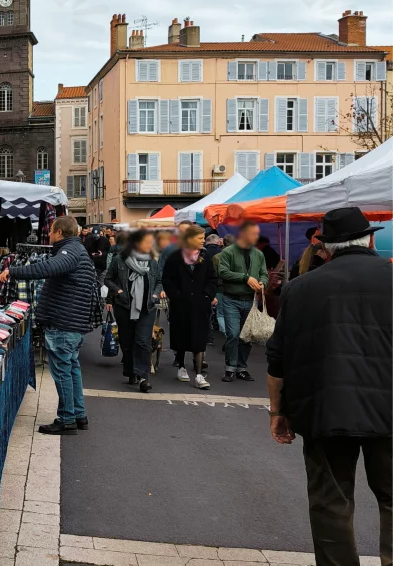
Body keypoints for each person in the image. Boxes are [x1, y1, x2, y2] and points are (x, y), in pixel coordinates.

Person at [266, 207, 391, 566]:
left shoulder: (300, 289)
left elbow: (278, 360)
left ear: (327, 248)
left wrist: (278, 412)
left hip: (325, 408)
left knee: (330, 501)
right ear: (369, 239)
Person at [0, 216, 97, 435]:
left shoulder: (69, 252)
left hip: (64, 324)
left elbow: (46, 268)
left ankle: (67, 419)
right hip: (72, 323)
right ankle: (79, 414)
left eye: (51, 231)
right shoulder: (77, 251)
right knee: (71, 369)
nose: (49, 235)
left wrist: (13, 271)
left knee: (63, 371)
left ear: (60, 233)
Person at [161, 224, 217, 389]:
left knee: (199, 339)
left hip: (200, 305)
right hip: (181, 305)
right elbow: (167, 279)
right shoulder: (175, 257)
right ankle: (182, 367)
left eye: (203, 238)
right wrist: (176, 296)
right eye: (200, 238)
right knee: (181, 336)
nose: (203, 241)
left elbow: (213, 279)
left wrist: (207, 296)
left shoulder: (205, 257)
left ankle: (199, 374)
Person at [105, 229, 161, 392]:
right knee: (127, 342)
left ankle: (144, 377)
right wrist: (118, 291)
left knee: (143, 341)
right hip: (124, 307)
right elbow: (108, 279)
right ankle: (131, 372)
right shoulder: (119, 260)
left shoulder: (152, 261)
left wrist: (156, 294)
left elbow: (158, 280)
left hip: (147, 307)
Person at [216, 221, 269, 383]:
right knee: (233, 334)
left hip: (251, 300)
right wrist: (245, 278)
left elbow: (264, 274)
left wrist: (262, 283)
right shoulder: (228, 252)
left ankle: (242, 368)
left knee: (247, 336)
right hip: (231, 298)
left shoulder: (258, 254)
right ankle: (230, 368)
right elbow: (222, 272)